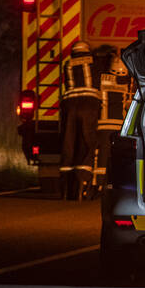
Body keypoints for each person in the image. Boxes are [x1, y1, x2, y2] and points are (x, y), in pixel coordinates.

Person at [59, 40, 101, 201]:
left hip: (69, 105)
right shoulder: (94, 61)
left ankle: (65, 188)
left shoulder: (68, 64)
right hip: (89, 104)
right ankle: (83, 183)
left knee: (69, 143)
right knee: (87, 142)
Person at [93, 53, 133, 194]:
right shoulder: (129, 83)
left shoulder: (102, 79)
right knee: (119, 156)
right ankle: (117, 184)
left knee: (101, 155)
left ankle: (98, 185)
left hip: (103, 125)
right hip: (120, 127)